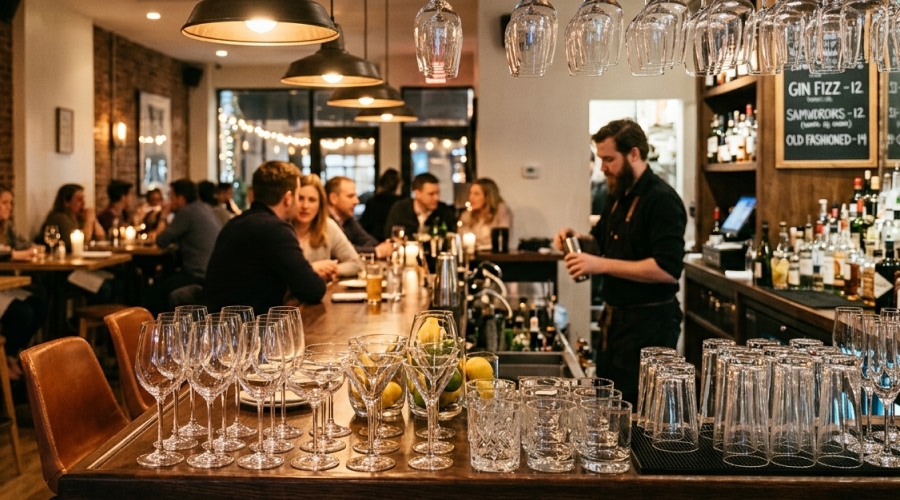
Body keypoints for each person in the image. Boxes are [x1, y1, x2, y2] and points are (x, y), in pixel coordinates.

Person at [554, 119, 686, 406]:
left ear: (634, 154)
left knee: (639, 412)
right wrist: (576, 240)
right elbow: (601, 242)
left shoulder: (662, 200)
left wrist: (600, 265)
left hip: (650, 328)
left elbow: (667, 270)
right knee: (609, 406)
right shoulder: (617, 196)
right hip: (615, 325)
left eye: (609, 159)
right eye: (601, 159)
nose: (602, 167)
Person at [205, 161, 326, 315]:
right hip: (249, 326)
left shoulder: (236, 223)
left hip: (221, 323)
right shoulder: (275, 229)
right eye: (298, 196)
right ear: (288, 198)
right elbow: (313, 289)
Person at [151, 179, 223, 313]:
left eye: (171, 196)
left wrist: (163, 215)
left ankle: (156, 325)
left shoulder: (186, 212)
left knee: (155, 292)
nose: (169, 201)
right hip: (214, 274)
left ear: (181, 198)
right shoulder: (204, 208)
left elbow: (161, 240)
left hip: (198, 275)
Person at [0, 186, 46, 382]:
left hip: (5, 286)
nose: (9, 207)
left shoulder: (6, 226)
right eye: (4, 203)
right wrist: (14, 254)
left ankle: (11, 354)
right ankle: (7, 356)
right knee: (22, 313)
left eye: (10, 203)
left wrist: (33, 249)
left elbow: (25, 244)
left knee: (40, 305)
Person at [293, 174, 363, 282]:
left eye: (312, 200)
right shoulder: (281, 229)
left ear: (320, 204)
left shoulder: (328, 226)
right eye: (300, 198)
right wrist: (312, 269)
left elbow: (357, 264)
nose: (305, 206)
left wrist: (332, 269)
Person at [325, 176, 393, 259]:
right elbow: (338, 251)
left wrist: (360, 250)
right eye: (350, 196)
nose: (356, 201)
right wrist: (376, 251)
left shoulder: (347, 218)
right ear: (333, 198)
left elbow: (371, 241)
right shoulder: (323, 221)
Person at [383, 172, 457, 238]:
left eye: (437, 193)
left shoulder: (444, 211)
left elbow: (451, 236)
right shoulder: (401, 209)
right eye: (431, 194)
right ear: (417, 194)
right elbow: (390, 237)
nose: (436, 198)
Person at [40, 184, 105, 250]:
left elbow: (100, 236)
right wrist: (89, 220)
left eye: (83, 199)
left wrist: (93, 219)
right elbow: (78, 243)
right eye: (79, 200)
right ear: (66, 203)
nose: (83, 203)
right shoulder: (60, 218)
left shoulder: (79, 217)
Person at [458, 178, 513, 251]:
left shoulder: (501, 211)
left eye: (476, 194)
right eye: (470, 193)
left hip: (494, 255)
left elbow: (500, 239)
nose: (471, 198)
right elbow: (461, 238)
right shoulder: (467, 215)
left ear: (488, 196)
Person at [359, 168, 402, 241]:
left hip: (374, 239)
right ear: (397, 184)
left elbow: (364, 225)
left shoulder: (373, 201)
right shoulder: (400, 203)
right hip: (393, 239)